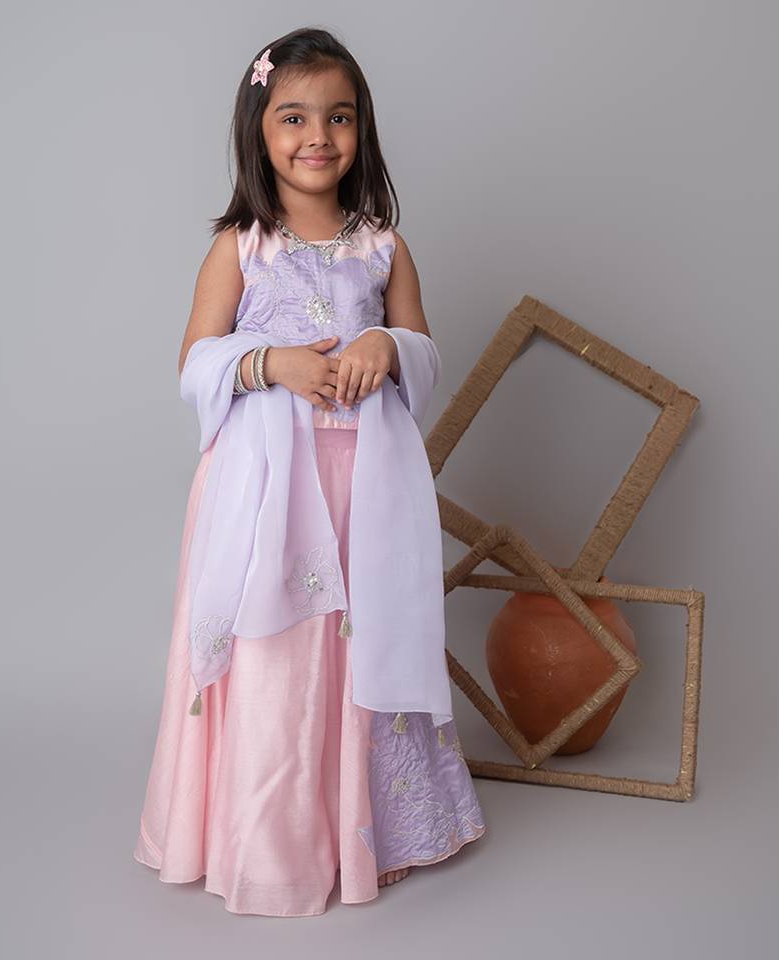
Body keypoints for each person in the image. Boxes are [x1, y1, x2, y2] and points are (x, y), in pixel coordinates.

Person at [133, 26, 486, 918]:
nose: (317, 136)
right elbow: (194, 364)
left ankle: (369, 830)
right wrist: (270, 362)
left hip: (363, 483)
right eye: (293, 117)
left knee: (361, 638)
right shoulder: (241, 247)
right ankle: (268, 841)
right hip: (266, 493)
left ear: (362, 128)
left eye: (338, 116)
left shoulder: (383, 246)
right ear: (259, 130)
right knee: (278, 654)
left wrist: (387, 345)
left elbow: (425, 354)